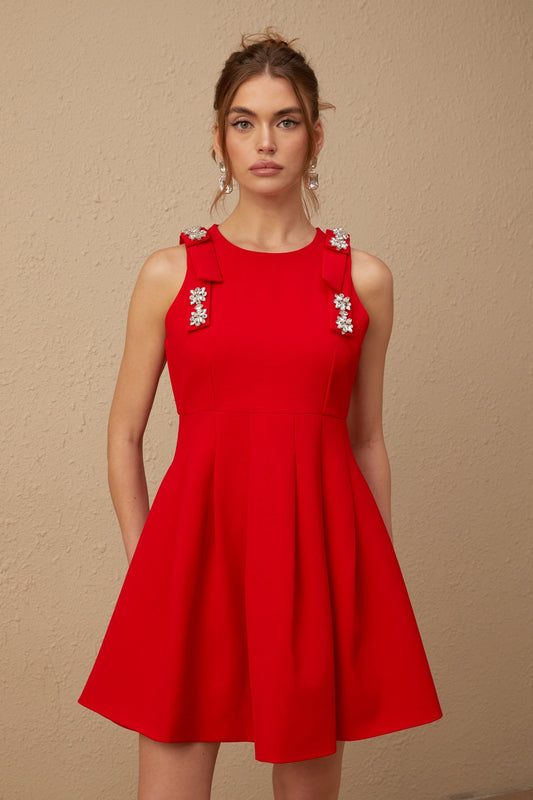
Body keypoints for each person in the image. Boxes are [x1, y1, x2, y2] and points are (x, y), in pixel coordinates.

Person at [79, 28, 442, 800]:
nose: (265, 142)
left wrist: (364, 584)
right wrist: (150, 566)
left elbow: (366, 439)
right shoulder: (170, 273)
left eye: (286, 120)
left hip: (315, 561)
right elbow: (123, 434)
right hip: (193, 557)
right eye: (243, 122)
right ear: (218, 139)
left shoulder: (362, 280)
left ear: (316, 137)